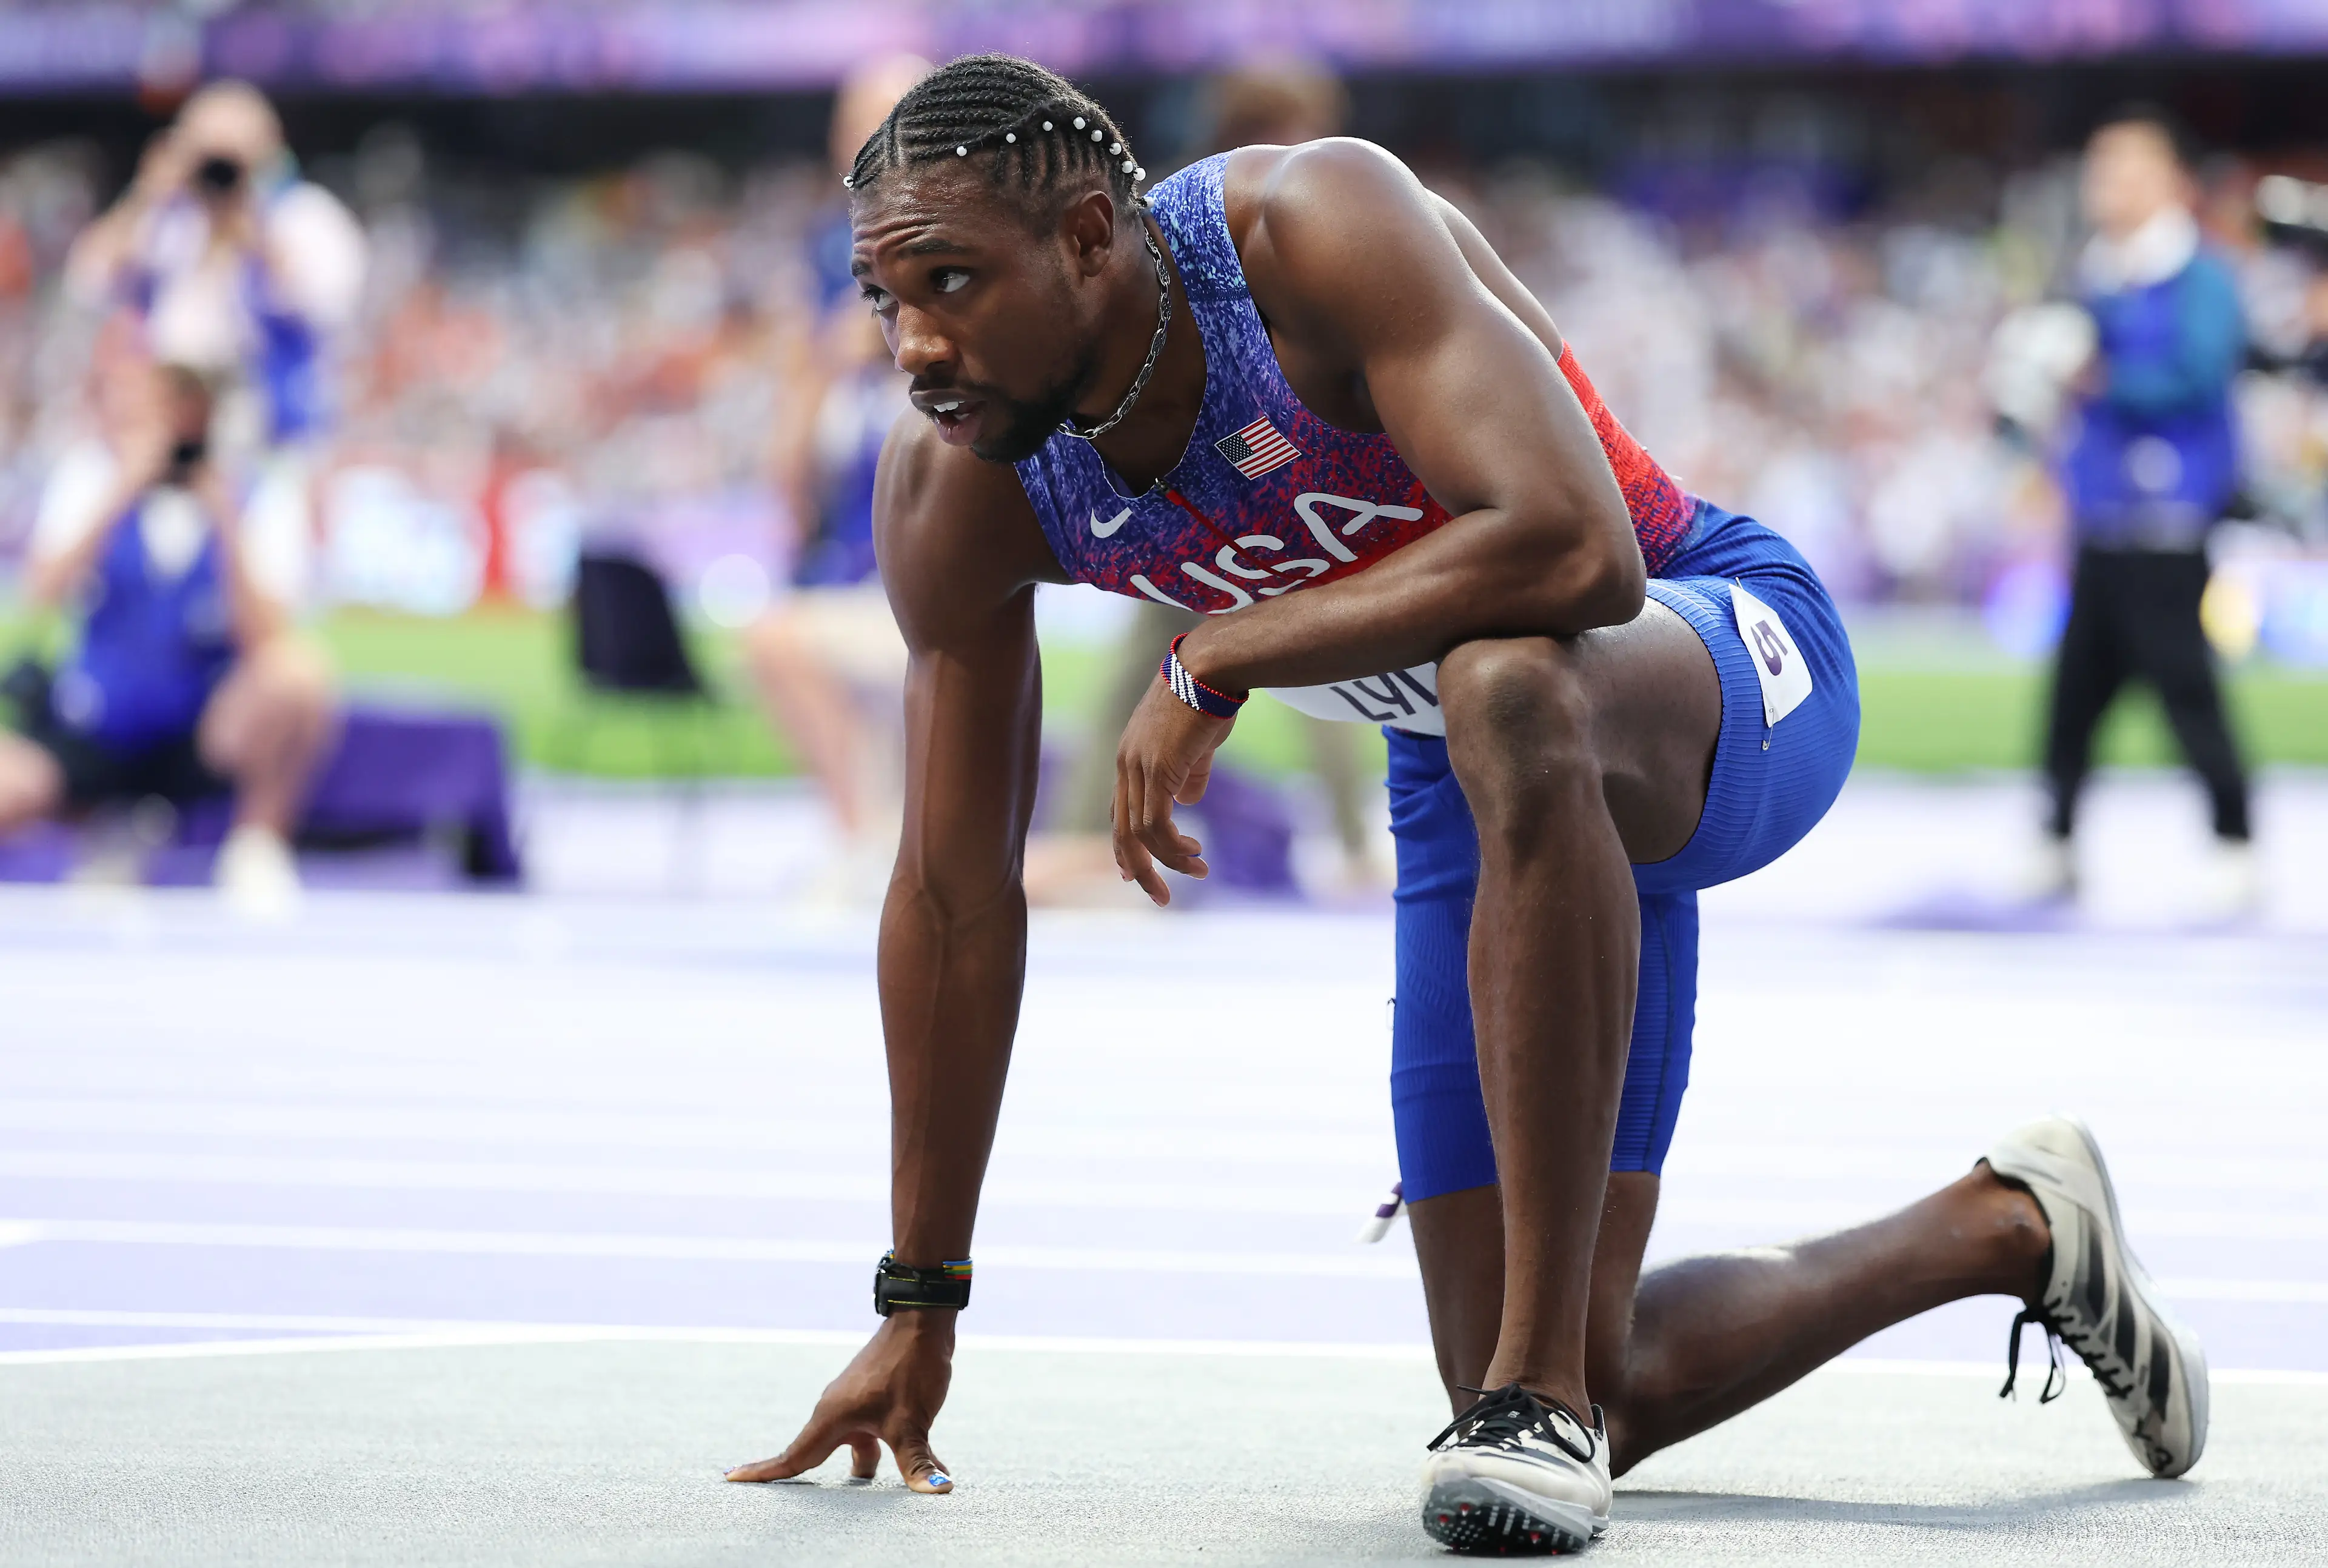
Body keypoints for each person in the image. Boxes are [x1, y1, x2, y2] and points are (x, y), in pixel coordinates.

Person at [726, 58, 2207, 1552]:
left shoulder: (1305, 231)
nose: (914, 344)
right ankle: (2014, 1221)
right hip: (1476, 771)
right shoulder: (961, 482)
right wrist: (920, 1300)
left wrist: (1218, 648)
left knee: (1506, 681)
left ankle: (1538, 1394)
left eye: (954, 281)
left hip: (1709, 651)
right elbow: (949, 898)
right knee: (1552, 1365)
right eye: (883, 297)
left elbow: (1578, 552)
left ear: (1094, 240)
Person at [1036, 59, 1385, 899]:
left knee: (1316, 652)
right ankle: (1086, 838)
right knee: (1156, 661)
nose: (1320, 143)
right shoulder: (1198, 218)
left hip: (1261, 464)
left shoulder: (1292, 211)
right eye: (1306, 123)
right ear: (1262, 127)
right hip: (1203, 469)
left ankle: (1348, 843)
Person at [0, 358, 334, 912]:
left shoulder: (253, 495)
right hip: (95, 724)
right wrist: (121, 490)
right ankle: (106, 828)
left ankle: (258, 845)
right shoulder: (92, 475)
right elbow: (41, 594)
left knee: (300, 674)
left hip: (198, 730)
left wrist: (224, 519)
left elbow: (268, 637)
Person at [2033, 108, 2255, 913]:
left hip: (2169, 516)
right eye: (2101, 169)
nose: (2107, 188)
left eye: (2125, 170)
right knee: (2074, 693)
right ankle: (2055, 837)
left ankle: (2235, 841)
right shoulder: (2097, 272)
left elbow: (2198, 376)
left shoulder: (2201, 276)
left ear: (2171, 182)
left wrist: (2099, 375)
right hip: (2102, 515)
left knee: (2186, 685)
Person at [743, 55, 929, 881]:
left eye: (880, 123)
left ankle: (870, 846)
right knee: (785, 638)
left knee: (781, 641)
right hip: (854, 552)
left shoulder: (968, 241)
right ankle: (867, 841)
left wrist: (890, 342)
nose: (860, 144)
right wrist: (817, 368)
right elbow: (789, 468)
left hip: (935, 560)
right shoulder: (830, 250)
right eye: (849, 126)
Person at [64, 79, 366, 581]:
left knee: (263, 588)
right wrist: (147, 192)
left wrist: (254, 229)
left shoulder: (304, 217)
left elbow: (323, 304)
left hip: (266, 440)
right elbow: (88, 280)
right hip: (166, 430)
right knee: (168, 583)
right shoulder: (167, 221)